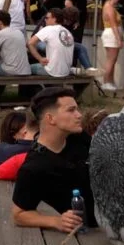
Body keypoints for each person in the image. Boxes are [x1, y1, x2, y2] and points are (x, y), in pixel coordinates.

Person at [12, 87, 96, 232]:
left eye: (77, 109)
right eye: (71, 110)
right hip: (90, 233)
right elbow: (18, 214)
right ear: (50, 118)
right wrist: (55, 221)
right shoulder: (34, 167)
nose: (79, 115)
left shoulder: (78, 138)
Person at [28, 8, 74, 77]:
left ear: (54, 19)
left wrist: (40, 59)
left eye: (47, 18)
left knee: (26, 69)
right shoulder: (68, 33)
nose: (45, 20)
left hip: (52, 71)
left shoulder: (48, 29)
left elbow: (30, 43)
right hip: (66, 72)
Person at [0, 10, 31, 76]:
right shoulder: (19, 32)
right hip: (26, 70)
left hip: (12, 71)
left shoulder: (0, 34)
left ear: (0, 22)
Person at [100, 0, 122, 91]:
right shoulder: (109, 7)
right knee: (111, 60)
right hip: (111, 35)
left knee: (113, 60)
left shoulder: (110, 6)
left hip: (112, 34)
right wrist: (118, 39)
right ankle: (105, 82)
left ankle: (110, 82)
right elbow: (113, 24)